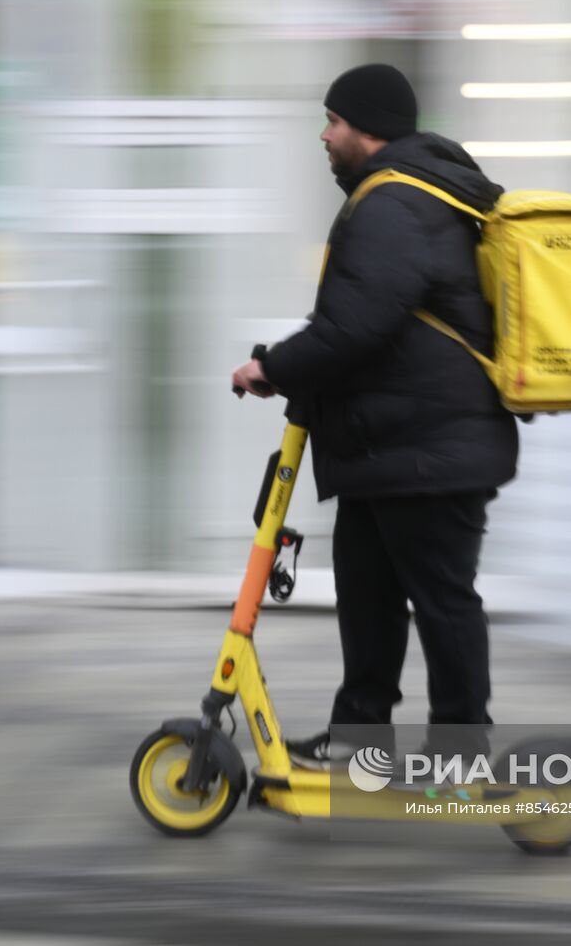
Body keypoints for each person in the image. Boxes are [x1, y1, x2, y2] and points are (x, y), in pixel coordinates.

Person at [231, 63, 518, 763]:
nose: (324, 136)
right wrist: (294, 367)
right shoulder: (403, 196)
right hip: (390, 448)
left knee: (442, 600)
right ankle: (363, 740)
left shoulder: (394, 203)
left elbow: (359, 324)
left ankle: (461, 750)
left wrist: (272, 367)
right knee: (368, 596)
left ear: (365, 127)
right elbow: (367, 324)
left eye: (333, 121)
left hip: (426, 448)